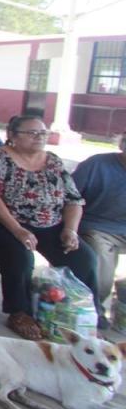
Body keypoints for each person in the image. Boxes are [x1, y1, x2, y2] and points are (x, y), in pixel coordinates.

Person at [0, 115, 97, 341]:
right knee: (20, 255)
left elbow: (74, 200)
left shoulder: (53, 161)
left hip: (49, 223)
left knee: (84, 257)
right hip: (0, 220)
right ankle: (19, 312)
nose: (39, 137)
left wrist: (70, 230)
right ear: (12, 135)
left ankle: (80, 310)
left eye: (42, 133)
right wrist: (17, 229)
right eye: (31, 133)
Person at [76, 134, 126, 328]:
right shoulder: (96, 164)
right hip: (98, 227)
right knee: (102, 271)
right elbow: (70, 196)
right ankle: (93, 311)